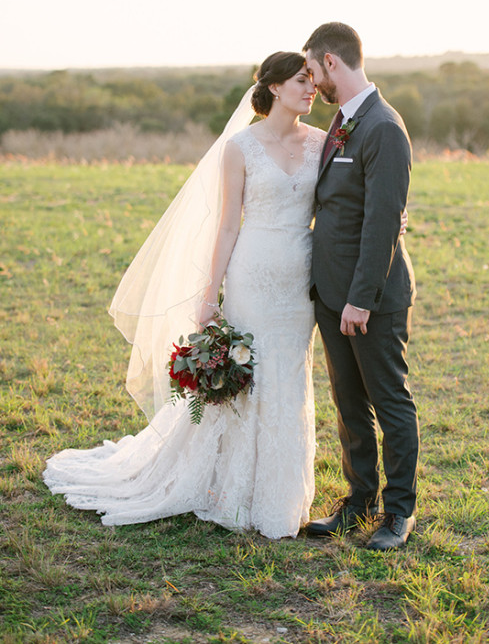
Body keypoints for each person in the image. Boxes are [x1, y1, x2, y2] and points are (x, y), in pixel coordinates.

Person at [43, 52, 324, 540]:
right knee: (253, 376)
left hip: (300, 282)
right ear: (275, 87)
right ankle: (227, 484)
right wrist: (210, 294)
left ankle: (279, 495)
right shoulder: (240, 148)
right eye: (303, 80)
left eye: (314, 81)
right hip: (252, 276)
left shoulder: (322, 143)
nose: (312, 88)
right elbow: (227, 223)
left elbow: (341, 204)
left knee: (289, 375)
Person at [303, 22, 419, 550]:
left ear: (332, 61)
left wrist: (359, 300)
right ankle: (358, 502)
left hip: (370, 297)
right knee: (350, 404)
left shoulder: (383, 128)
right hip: (331, 293)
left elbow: (381, 222)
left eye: (312, 68)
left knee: (388, 399)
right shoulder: (342, 122)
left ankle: (398, 513)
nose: (311, 81)